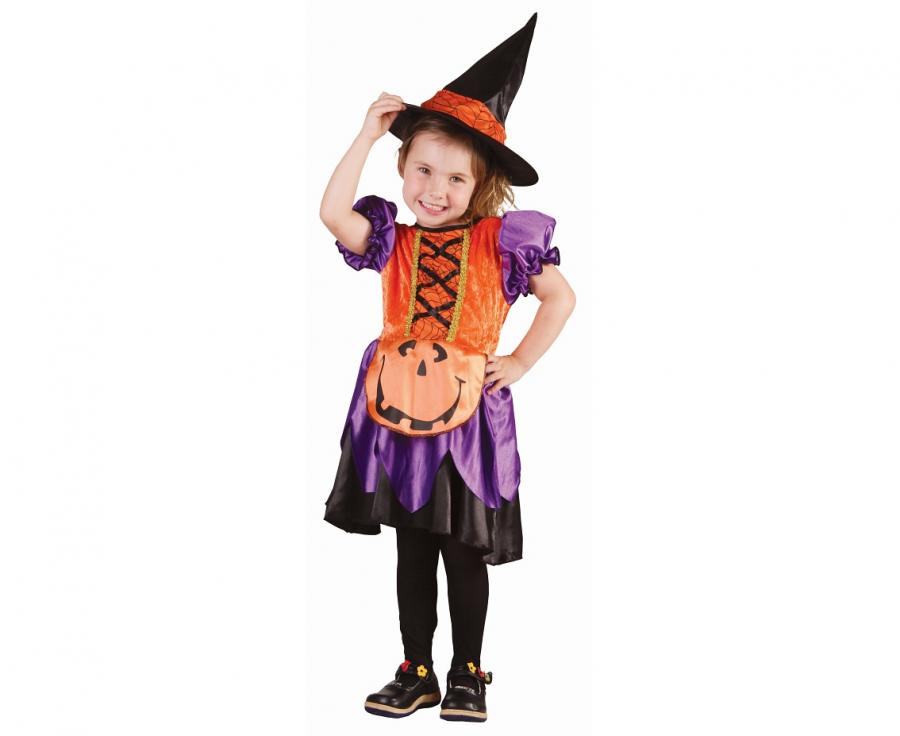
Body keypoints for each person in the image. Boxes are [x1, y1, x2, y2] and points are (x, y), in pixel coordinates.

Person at [318, 13, 575, 722]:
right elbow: (332, 212)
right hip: (399, 413)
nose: (435, 189)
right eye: (423, 171)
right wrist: (368, 135)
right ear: (403, 169)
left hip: (468, 422)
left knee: (462, 551)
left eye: (455, 177)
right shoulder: (393, 242)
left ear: (480, 182)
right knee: (411, 551)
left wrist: (518, 361)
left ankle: (468, 672)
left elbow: (561, 297)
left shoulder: (502, 242)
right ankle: (417, 670)